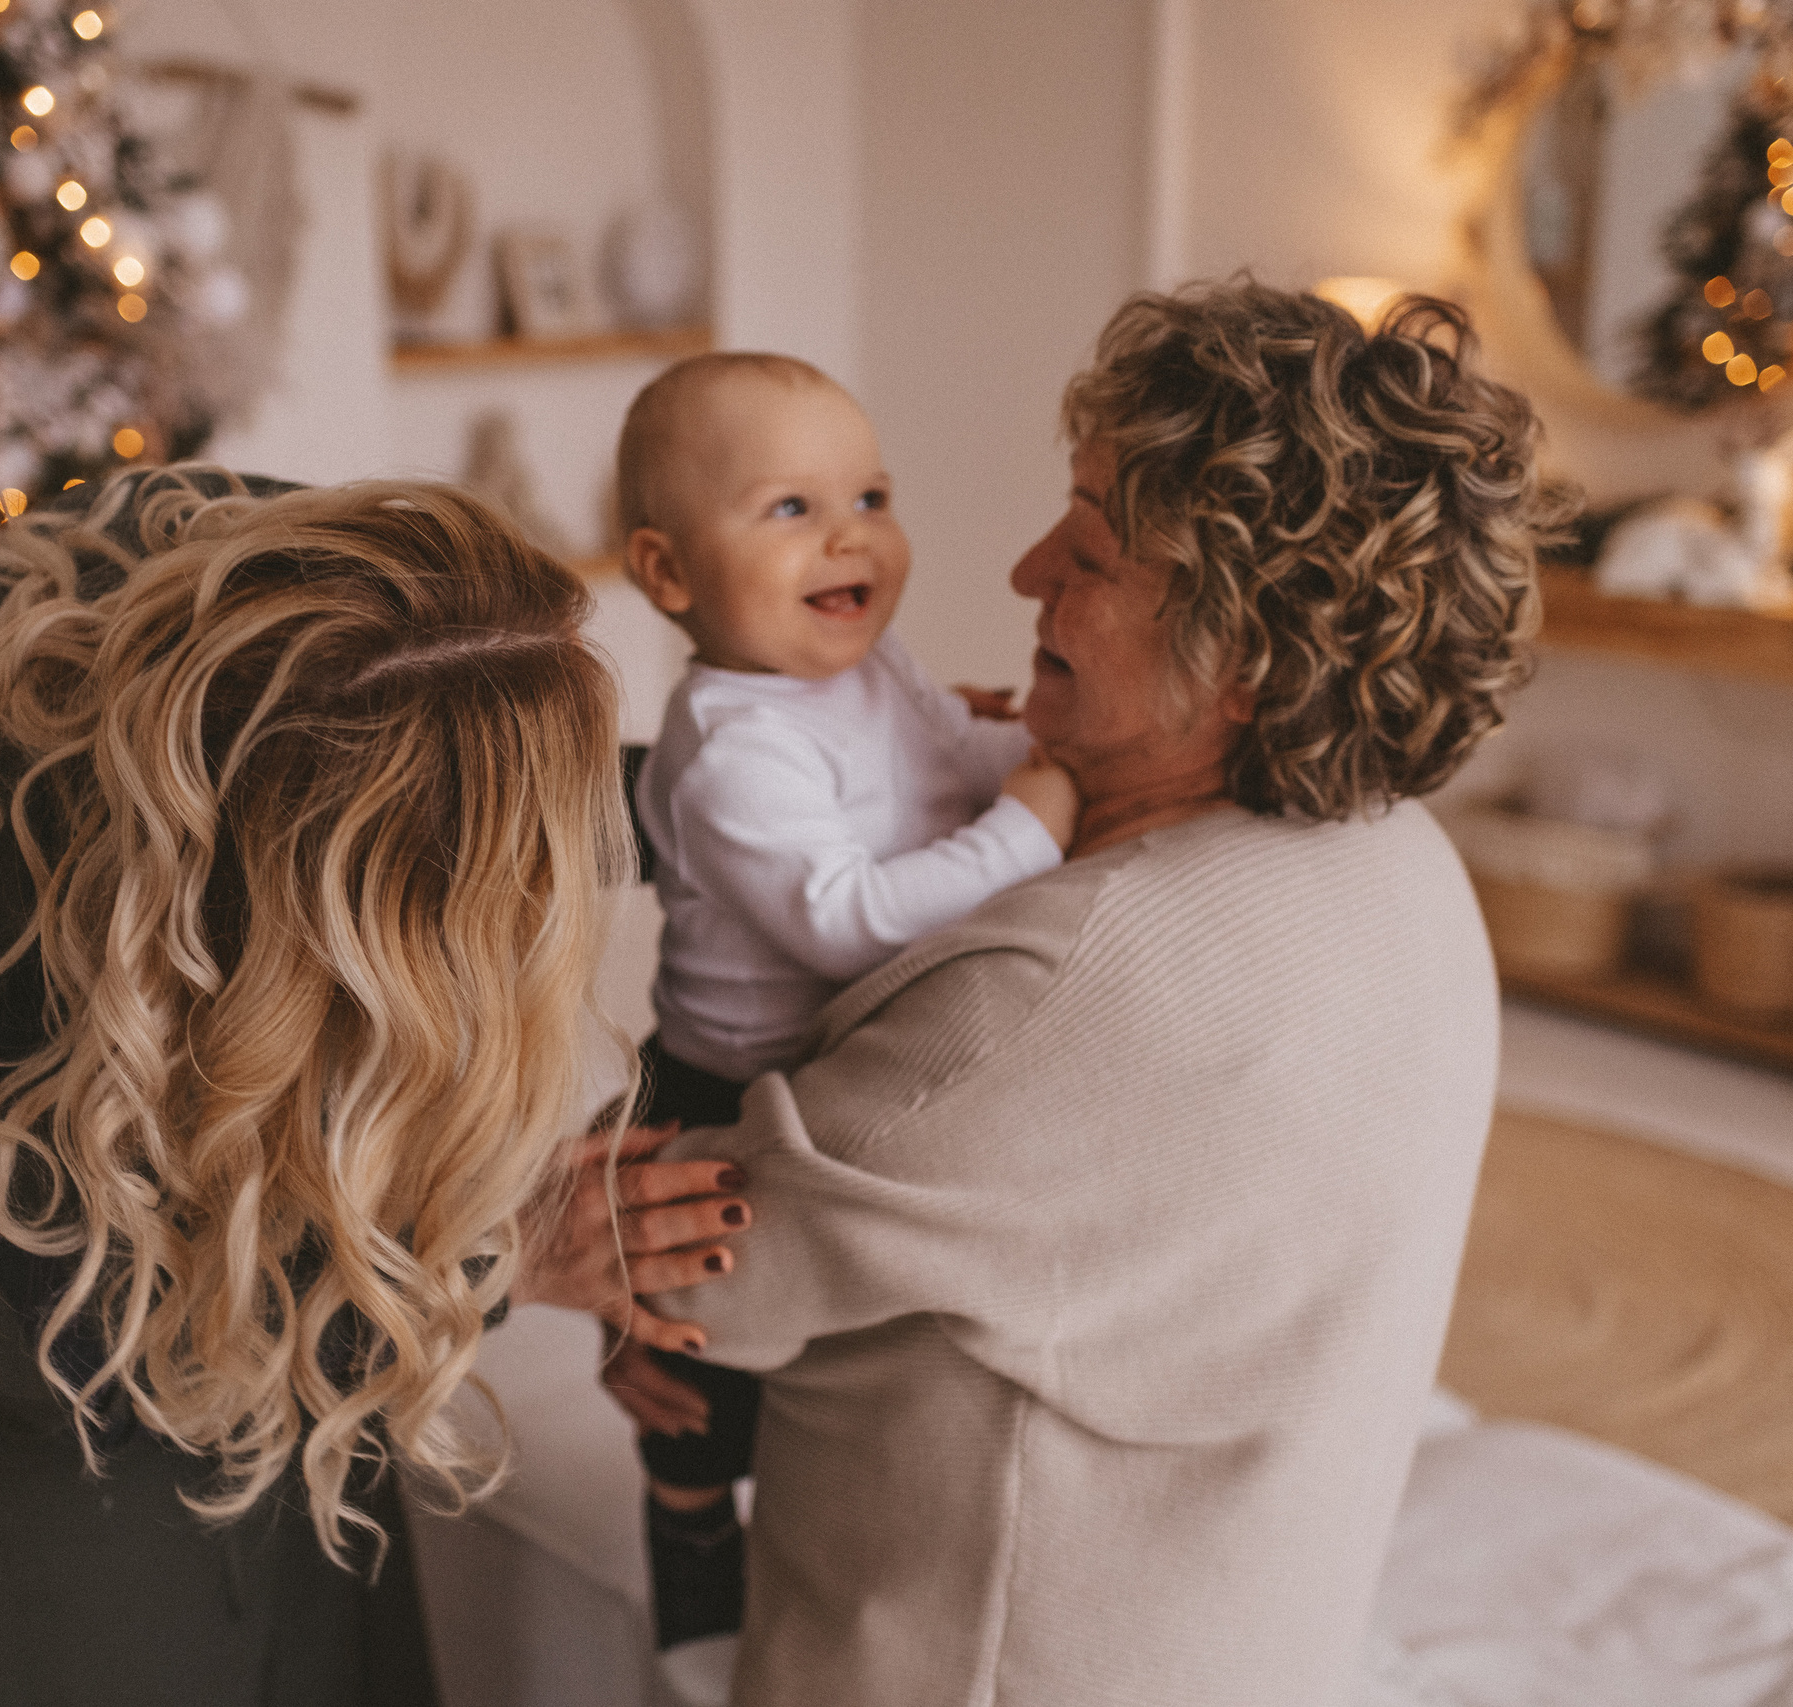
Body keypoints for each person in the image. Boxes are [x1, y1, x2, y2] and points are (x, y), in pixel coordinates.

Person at [607, 281, 1565, 1705]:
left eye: (1094, 550)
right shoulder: (1408, 866)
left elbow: (698, 1267)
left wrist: (547, 1244)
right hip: (1252, 1628)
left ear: (1241, 657)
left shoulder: (1063, 980)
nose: (1024, 566)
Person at [0, 468, 746, 1707]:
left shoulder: (375, 610)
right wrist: (493, 1258)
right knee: (74, 1603)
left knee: (300, 1561)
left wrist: (847, 778)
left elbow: (508, 769)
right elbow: (68, 1354)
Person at [610, 352, 1079, 1645]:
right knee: (701, 1367)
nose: (850, 535)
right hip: (717, 1091)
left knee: (832, 1353)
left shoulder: (872, 671)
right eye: (790, 509)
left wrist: (1043, 758)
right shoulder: (732, 746)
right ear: (667, 573)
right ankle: (695, 1561)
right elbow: (844, 918)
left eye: (870, 495)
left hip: (823, 1071)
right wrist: (1032, 830)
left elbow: (948, 752)